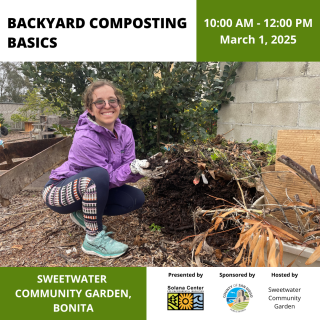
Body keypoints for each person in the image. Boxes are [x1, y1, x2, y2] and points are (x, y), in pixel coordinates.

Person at [42, 80, 164, 259]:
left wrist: (139, 169)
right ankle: (93, 239)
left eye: (112, 100)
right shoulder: (85, 137)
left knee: (135, 198)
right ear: (90, 109)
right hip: (59, 191)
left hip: (92, 188)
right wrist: (131, 168)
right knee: (98, 175)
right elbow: (107, 177)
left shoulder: (126, 132)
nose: (107, 106)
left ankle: (82, 213)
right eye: (99, 102)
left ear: (119, 105)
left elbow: (125, 171)